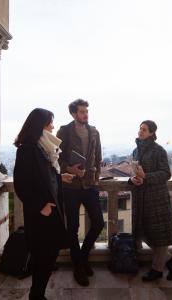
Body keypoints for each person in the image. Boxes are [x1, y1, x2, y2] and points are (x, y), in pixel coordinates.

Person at [14, 108, 73, 300]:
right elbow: (21, 185)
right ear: (40, 125)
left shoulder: (44, 147)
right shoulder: (28, 149)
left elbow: (43, 175)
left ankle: (37, 294)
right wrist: (41, 206)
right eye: (50, 123)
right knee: (43, 257)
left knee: (49, 255)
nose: (53, 127)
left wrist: (59, 176)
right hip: (41, 214)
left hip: (51, 211)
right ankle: (36, 295)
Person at [56, 99, 104, 287]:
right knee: (72, 228)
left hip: (90, 185)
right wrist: (70, 169)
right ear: (74, 114)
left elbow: (98, 157)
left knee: (99, 223)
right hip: (70, 187)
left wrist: (96, 177)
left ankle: (82, 258)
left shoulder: (94, 131)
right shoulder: (64, 131)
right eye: (82, 111)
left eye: (86, 111)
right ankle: (78, 266)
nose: (86, 114)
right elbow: (56, 158)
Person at [129, 120, 172, 282]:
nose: (140, 131)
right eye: (140, 129)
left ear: (152, 133)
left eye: (144, 129)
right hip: (140, 197)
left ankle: (157, 269)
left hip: (156, 198)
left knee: (158, 235)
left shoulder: (159, 151)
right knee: (143, 232)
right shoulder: (136, 151)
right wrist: (133, 179)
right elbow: (134, 172)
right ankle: (170, 260)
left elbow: (166, 173)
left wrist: (146, 177)